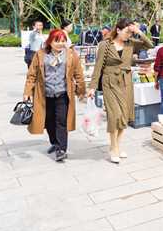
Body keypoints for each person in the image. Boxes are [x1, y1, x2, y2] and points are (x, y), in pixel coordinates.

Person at [88, 18, 153, 163]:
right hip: (109, 82)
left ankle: (117, 145)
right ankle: (113, 147)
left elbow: (149, 45)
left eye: (130, 32)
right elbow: (98, 67)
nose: (128, 35)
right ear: (118, 30)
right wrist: (92, 87)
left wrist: (138, 31)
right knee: (114, 115)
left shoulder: (131, 43)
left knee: (124, 116)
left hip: (126, 82)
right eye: (126, 32)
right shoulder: (105, 44)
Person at [22, 29, 86, 161]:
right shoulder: (40, 54)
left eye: (63, 41)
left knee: (61, 121)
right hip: (44, 95)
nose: (60, 44)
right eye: (57, 41)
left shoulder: (71, 55)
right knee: (48, 122)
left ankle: (61, 149)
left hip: (63, 94)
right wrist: (27, 92)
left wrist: (81, 91)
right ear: (50, 41)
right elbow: (32, 75)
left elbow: (78, 74)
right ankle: (54, 142)